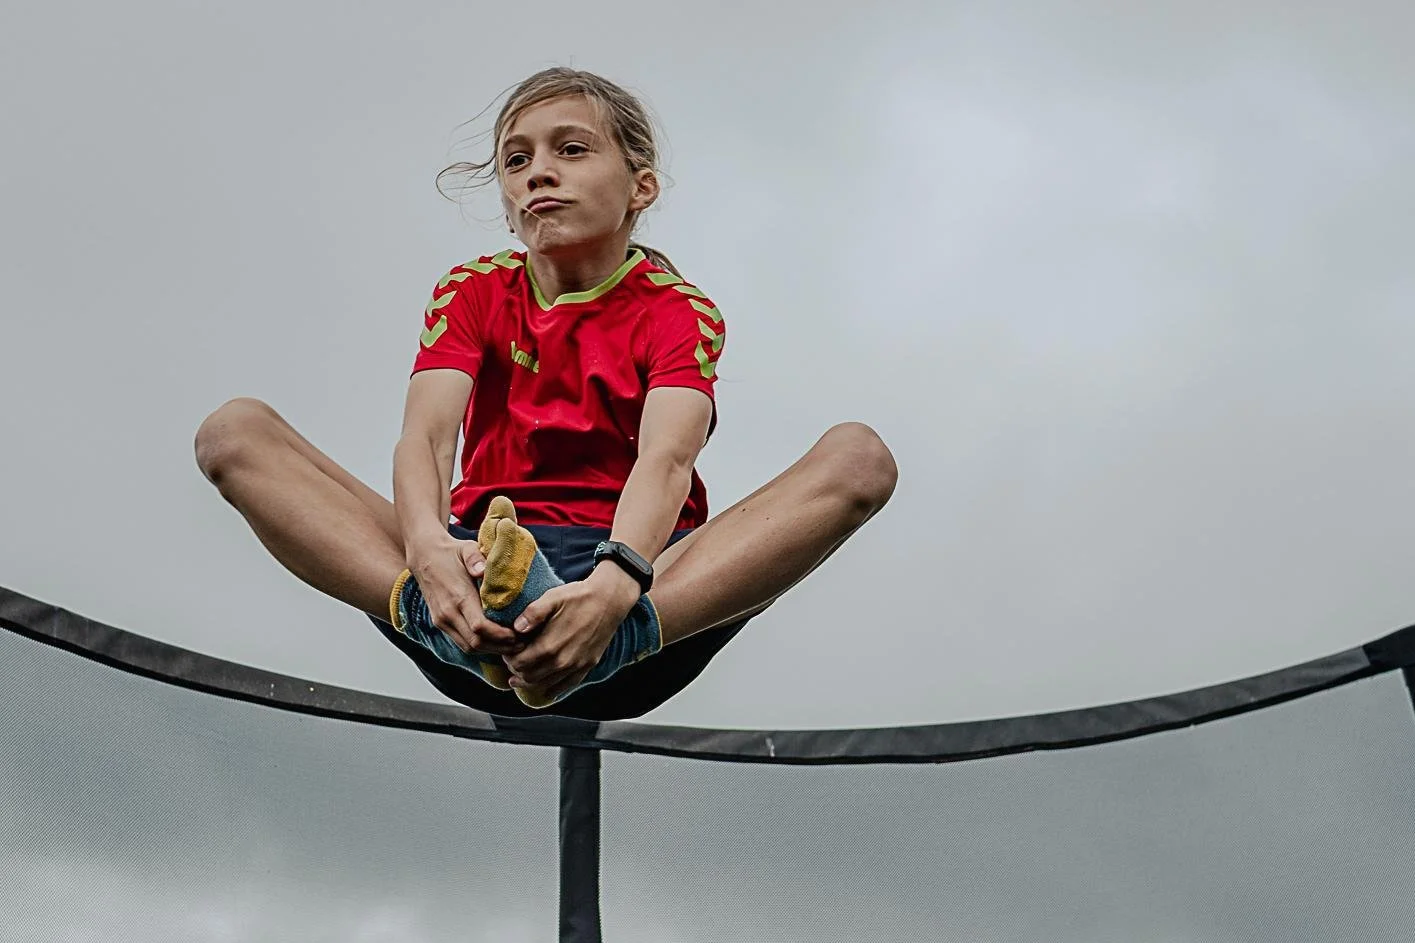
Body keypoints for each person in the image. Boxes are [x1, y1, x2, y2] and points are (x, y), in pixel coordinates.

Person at [193, 68, 897, 720]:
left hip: (637, 597)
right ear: (506, 205)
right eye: (517, 160)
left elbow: (666, 460)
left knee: (859, 459)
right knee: (234, 433)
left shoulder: (678, 310)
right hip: (466, 599)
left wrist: (616, 590)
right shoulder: (472, 290)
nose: (539, 174)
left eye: (571, 149)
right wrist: (431, 556)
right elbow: (428, 439)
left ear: (640, 188)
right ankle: (437, 615)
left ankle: (606, 635)